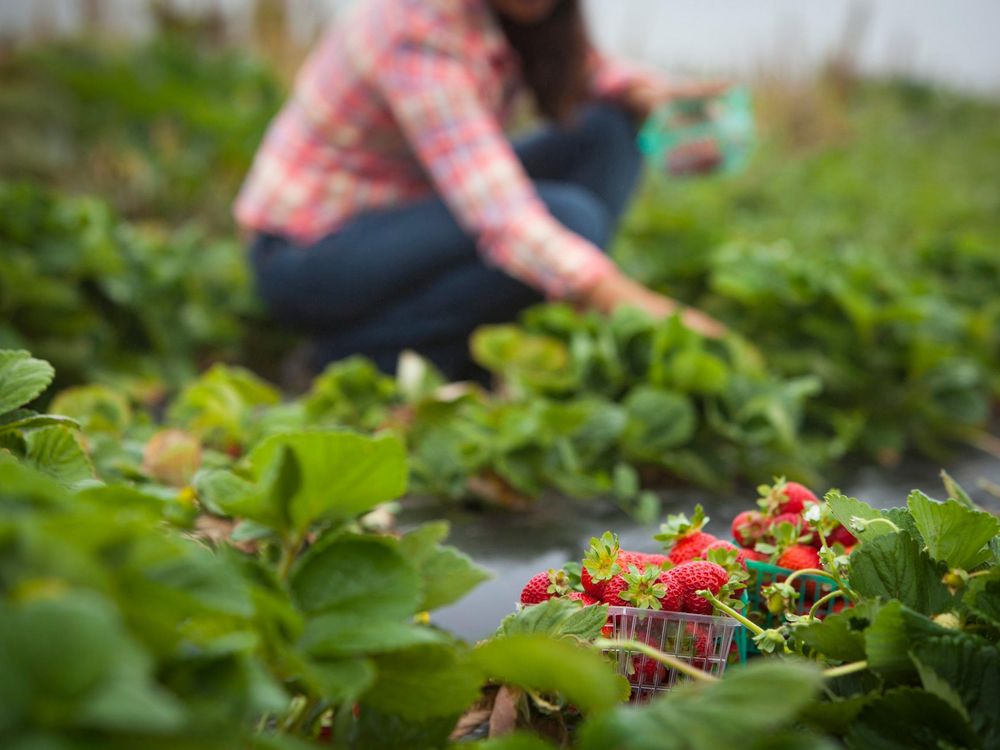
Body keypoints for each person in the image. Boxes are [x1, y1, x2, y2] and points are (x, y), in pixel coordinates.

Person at [235, 0, 728, 382]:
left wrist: (650, 95)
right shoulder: (414, 26)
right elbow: (505, 218)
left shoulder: (516, 15)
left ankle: (483, 336)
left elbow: (589, 71)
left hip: (409, 211)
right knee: (570, 220)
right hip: (309, 254)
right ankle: (354, 354)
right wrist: (660, 317)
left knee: (609, 130)